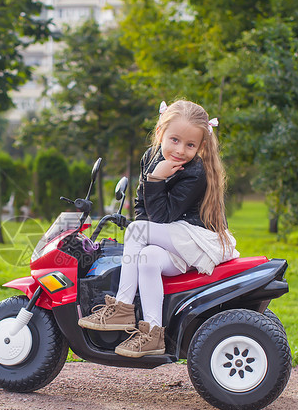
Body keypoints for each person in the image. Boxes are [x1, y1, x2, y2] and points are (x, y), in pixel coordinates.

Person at [78, 99, 239, 357]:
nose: (180, 150)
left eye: (190, 145)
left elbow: (161, 217)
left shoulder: (195, 172)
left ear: (201, 147)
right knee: (147, 257)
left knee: (135, 231)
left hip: (195, 240)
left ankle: (122, 307)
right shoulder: (150, 158)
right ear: (160, 133)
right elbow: (143, 210)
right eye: (174, 140)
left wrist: (156, 179)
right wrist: (154, 177)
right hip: (172, 239)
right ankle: (154, 333)